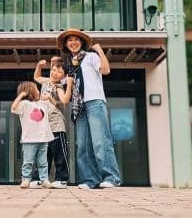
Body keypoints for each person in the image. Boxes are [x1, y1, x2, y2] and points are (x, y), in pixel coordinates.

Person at [58, 28, 121, 190]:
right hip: (78, 107)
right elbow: (60, 82)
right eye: (69, 40)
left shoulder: (90, 56)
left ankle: (111, 177)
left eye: (76, 39)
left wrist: (100, 51)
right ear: (66, 44)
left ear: (82, 42)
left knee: (100, 141)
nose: (73, 42)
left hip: (94, 102)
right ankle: (90, 179)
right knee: (82, 145)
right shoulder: (69, 65)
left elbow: (106, 70)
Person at [32, 58, 73, 189]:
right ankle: (40, 179)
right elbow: (36, 77)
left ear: (63, 76)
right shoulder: (46, 82)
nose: (55, 73)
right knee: (44, 154)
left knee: (59, 154)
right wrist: (39, 66)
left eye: (59, 72)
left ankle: (61, 179)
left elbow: (64, 101)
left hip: (56, 125)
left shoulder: (58, 87)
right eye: (54, 70)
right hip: (44, 124)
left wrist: (69, 85)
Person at [11, 81, 54, 189]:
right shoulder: (24, 104)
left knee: (43, 162)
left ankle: (44, 180)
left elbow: (54, 105)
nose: (38, 91)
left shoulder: (42, 103)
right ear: (30, 92)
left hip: (43, 138)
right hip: (29, 139)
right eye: (36, 89)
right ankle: (26, 179)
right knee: (28, 162)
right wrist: (21, 95)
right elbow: (13, 108)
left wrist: (49, 98)